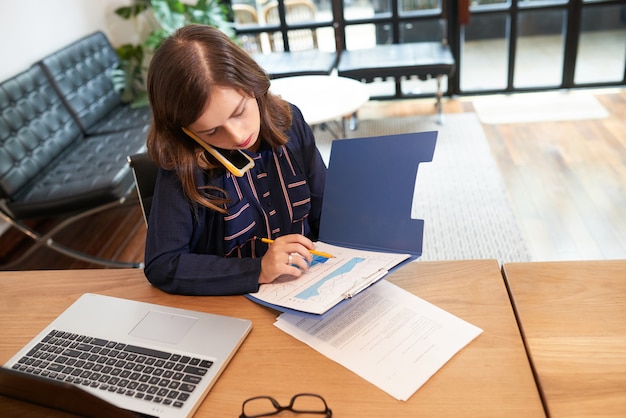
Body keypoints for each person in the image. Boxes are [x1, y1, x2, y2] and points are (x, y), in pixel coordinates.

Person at [143, 24, 327, 296]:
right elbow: (163, 264)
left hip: (310, 284)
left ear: (253, 83)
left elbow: (327, 209)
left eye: (239, 111)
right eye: (211, 131)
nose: (238, 135)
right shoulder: (183, 164)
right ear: (185, 131)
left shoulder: (290, 122)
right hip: (232, 302)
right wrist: (258, 270)